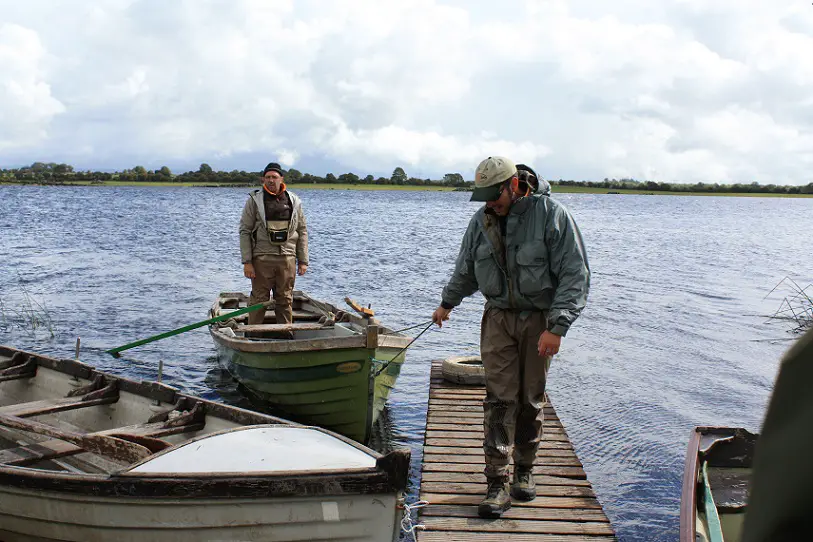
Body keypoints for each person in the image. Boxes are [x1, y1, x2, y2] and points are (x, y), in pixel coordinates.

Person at [432, 156, 590, 518]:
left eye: (494, 195)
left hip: (540, 321)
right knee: (500, 399)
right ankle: (496, 481)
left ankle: (525, 470)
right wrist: (447, 303)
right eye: (484, 196)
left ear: (513, 186)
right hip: (498, 319)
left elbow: (574, 274)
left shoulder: (552, 215)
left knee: (530, 398)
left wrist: (557, 327)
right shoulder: (482, 220)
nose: (490, 203)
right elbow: (466, 268)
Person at [239, 162, 309, 332]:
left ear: (281, 179)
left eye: (274, 177)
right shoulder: (254, 200)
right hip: (261, 259)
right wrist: (247, 262)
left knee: (285, 299)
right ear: (263, 179)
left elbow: (302, 231)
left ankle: (285, 334)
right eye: (268, 177)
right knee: (259, 300)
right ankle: (253, 335)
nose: (271, 180)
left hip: (287, 259)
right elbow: (245, 231)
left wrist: (303, 261)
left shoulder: (294, 201)